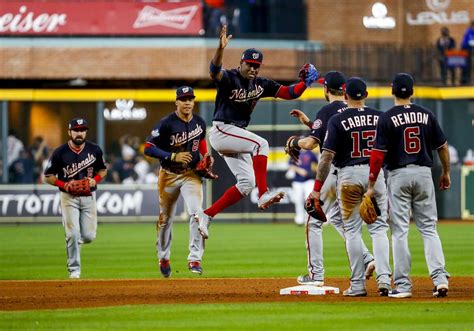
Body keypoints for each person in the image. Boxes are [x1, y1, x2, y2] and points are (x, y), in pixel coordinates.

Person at [195, 24, 319, 239]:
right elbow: (214, 71)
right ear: (241, 63)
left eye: (256, 65)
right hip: (222, 130)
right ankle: (263, 194)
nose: (253, 69)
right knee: (261, 144)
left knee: (245, 184)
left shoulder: (260, 83)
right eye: (249, 64)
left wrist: (303, 83)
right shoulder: (231, 78)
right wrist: (220, 49)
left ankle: (207, 215)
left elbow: (288, 93)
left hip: (235, 134)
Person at [365, 73, 451, 298]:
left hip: (398, 175)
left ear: (392, 91)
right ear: (412, 92)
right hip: (423, 173)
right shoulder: (427, 114)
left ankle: (403, 286)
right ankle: (440, 278)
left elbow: (377, 155)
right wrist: (446, 172)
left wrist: (372, 183)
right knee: (429, 228)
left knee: (400, 232)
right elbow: (442, 146)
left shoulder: (387, 117)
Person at [287, 71, 375, 287]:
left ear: (326, 89)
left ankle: (316, 274)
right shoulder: (353, 108)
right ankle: (367, 258)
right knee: (337, 218)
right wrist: (309, 123)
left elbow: (310, 144)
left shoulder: (327, 110)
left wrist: (294, 142)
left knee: (313, 221)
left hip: (333, 170)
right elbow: (330, 134)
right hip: (354, 171)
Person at [306, 77, 391, 296]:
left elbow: (326, 157)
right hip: (375, 175)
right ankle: (384, 280)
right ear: (366, 95)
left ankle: (357, 285)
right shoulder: (380, 117)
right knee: (379, 229)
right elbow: (387, 151)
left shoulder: (337, 119)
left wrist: (317, 188)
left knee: (352, 231)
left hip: (349, 175)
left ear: (346, 96)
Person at [144, 86, 213, 277]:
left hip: (191, 174)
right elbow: (148, 148)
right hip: (168, 175)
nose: (187, 103)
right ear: (176, 102)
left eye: (190, 99)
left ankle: (195, 258)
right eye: (183, 99)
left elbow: (201, 141)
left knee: (196, 214)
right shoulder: (166, 123)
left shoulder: (199, 122)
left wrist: (206, 156)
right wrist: (172, 156)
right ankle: (163, 257)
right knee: (165, 220)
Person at [44, 118, 107, 279]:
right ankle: (74, 270)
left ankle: (76, 242)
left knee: (88, 236)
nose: (79, 133)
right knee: (72, 234)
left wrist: (95, 180)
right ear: (69, 132)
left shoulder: (95, 150)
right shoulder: (59, 152)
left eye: (82, 130)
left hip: (89, 196)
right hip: (68, 197)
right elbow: (48, 176)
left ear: (86, 132)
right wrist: (63, 185)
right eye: (76, 130)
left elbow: (102, 170)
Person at [286, 149, 318, 225]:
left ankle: (310, 217)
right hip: (297, 180)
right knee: (298, 200)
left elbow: (317, 163)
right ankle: (299, 218)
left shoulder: (310, 153)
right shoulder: (294, 153)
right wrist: (299, 170)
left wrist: (313, 171)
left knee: (310, 199)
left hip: (309, 179)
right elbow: (290, 166)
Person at [461, 20, 474, 85]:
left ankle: (467, 79)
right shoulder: (469, 31)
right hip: (466, 51)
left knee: (469, 66)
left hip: (469, 51)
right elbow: (470, 42)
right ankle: (464, 80)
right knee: (466, 66)